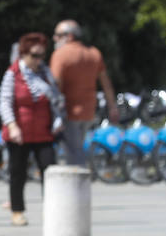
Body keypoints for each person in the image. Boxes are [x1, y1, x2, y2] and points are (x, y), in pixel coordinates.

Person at [0, 32, 65, 226]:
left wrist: (58, 119)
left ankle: (52, 210)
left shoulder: (46, 74)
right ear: (23, 54)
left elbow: (55, 99)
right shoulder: (13, 73)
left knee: (49, 170)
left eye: (41, 56)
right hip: (19, 132)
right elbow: (5, 101)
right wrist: (12, 125)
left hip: (44, 131)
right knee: (17, 172)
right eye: (34, 56)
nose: (38, 60)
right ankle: (17, 211)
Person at [50, 20, 119, 166]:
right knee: (78, 148)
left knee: (73, 153)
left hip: (68, 112)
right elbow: (106, 84)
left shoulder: (60, 54)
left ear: (69, 36)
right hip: (88, 112)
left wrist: (53, 111)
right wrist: (112, 107)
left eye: (57, 35)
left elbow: (55, 86)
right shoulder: (94, 53)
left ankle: (78, 185)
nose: (54, 39)